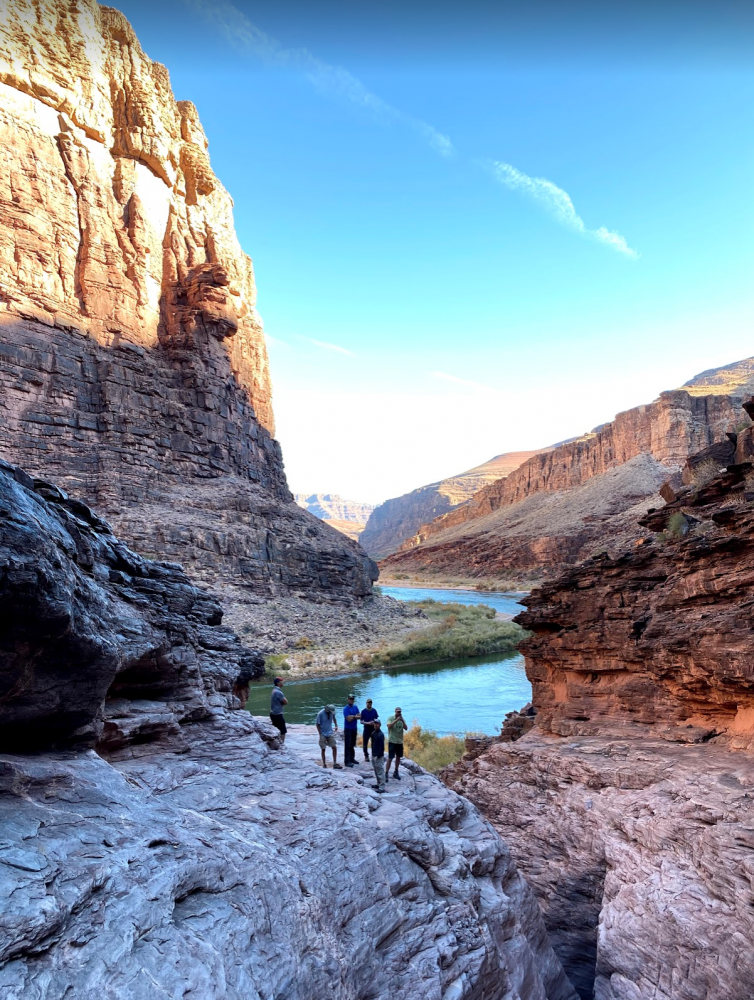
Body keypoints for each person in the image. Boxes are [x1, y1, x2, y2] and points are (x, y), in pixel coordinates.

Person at [316, 703, 342, 769]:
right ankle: (324, 764)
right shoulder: (320, 714)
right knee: (323, 748)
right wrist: (320, 733)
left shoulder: (331, 713)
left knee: (334, 747)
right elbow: (317, 724)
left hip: (330, 732)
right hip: (323, 733)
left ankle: (335, 763)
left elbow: (334, 718)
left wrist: (336, 725)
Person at [386, 706, 408, 782]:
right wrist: (396, 720)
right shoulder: (390, 718)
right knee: (390, 757)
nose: (399, 713)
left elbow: (406, 728)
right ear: (395, 712)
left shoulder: (402, 719)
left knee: (398, 757)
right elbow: (389, 726)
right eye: (397, 712)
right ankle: (386, 773)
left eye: (400, 712)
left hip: (399, 741)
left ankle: (396, 771)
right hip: (392, 741)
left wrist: (402, 721)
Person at [342, 694, 360, 767]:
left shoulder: (355, 707)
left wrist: (353, 716)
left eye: (352, 699)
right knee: (347, 745)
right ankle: (347, 761)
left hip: (354, 728)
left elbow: (360, 716)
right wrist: (355, 716)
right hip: (348, 729)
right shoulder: (345, 709)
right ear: (348, 699)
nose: (351, 700)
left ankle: (352, 758)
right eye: (350, 699)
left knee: (352, 744)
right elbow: (348, 719)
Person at [270, 677, 288, 743]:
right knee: (283, 731)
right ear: (278, 683)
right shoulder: (278, 692)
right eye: (281, 681)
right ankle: (282, 745)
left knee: (276, 730)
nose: (283, 682)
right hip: (277, 714)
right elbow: (286, 702)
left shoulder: (274, 690)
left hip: (273, 713)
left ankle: (276, 743)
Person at [370, 719, 386, 792]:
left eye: (377, 724)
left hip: (378, 756)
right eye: (375, 724)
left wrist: (379, 756)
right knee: (376, 771)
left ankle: (382, 787)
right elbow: (373, 744)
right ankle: (378, 783)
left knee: (380, 771)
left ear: (380, 725)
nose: (376, 725)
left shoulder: (380, 735)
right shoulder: (373, 733)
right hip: (374, 754)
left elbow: (382, 747)